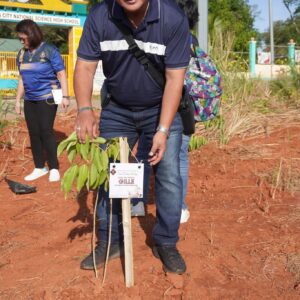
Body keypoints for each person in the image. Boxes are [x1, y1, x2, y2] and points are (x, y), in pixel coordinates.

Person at [74, 0, 190, 274]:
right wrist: (84, 109)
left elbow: (175, 79)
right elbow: (85, 66)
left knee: (169, 175)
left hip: (160, 109)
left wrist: (162, 130)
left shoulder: (172, 18)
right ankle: (111, 240)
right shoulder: (101, 16)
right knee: (110, 174)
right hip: (117, 109)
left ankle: (166, 242)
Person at [132, 0, 199, 223]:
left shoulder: (159, 32)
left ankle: (136, 202)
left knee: (142, 152)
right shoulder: (192, 41)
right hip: (182, 107)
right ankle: (178, 207)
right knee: (179, 158)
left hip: (156, 106)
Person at [15, 19, 70, 182]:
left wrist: (66, 96)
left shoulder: (50, 50)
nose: (21, 41)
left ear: (31, 35)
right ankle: (40, 167)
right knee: (33, 132)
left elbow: (61, 73)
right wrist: (18, 100)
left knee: (45, 130)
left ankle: (54, 167)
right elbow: (21, 78)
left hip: (48, 97)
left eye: (23, 38)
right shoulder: (22, 54)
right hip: (29, 99)